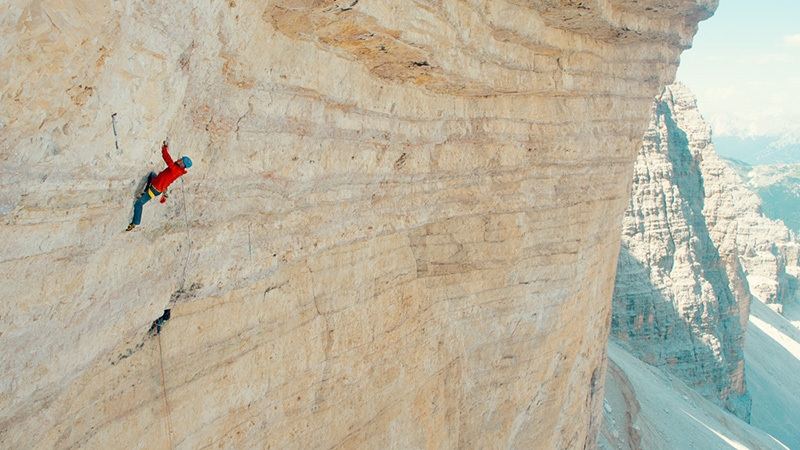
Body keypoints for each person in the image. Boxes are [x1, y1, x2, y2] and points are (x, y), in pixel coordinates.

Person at [126, 141, 192, 231]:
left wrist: (164, 148)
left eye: (181, 160)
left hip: (155, 189)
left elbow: (168, 160)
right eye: (180, 159)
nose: (179, 160)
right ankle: (154, 191)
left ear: (183, 165)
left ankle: (135, 223)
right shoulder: (178, 169)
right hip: (157, 183)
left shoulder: (176, 170)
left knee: (139, 203)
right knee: (152, 174)